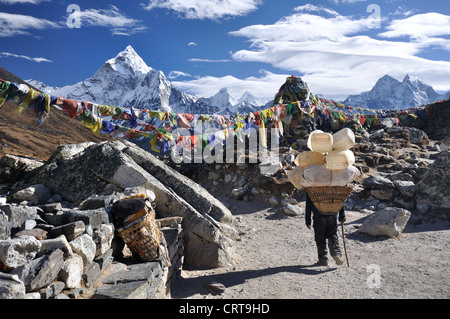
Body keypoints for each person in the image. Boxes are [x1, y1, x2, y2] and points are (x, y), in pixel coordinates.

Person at [305, 193, 346, 266]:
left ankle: (323, 260)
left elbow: (308, 204)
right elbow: (340, 199)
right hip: (332, 215)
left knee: (320, 238)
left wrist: (308, 220)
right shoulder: (333, 185)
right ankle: (336, 254)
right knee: (332, 235)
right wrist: (342, 215)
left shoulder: (312, 186)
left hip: (318, 216)